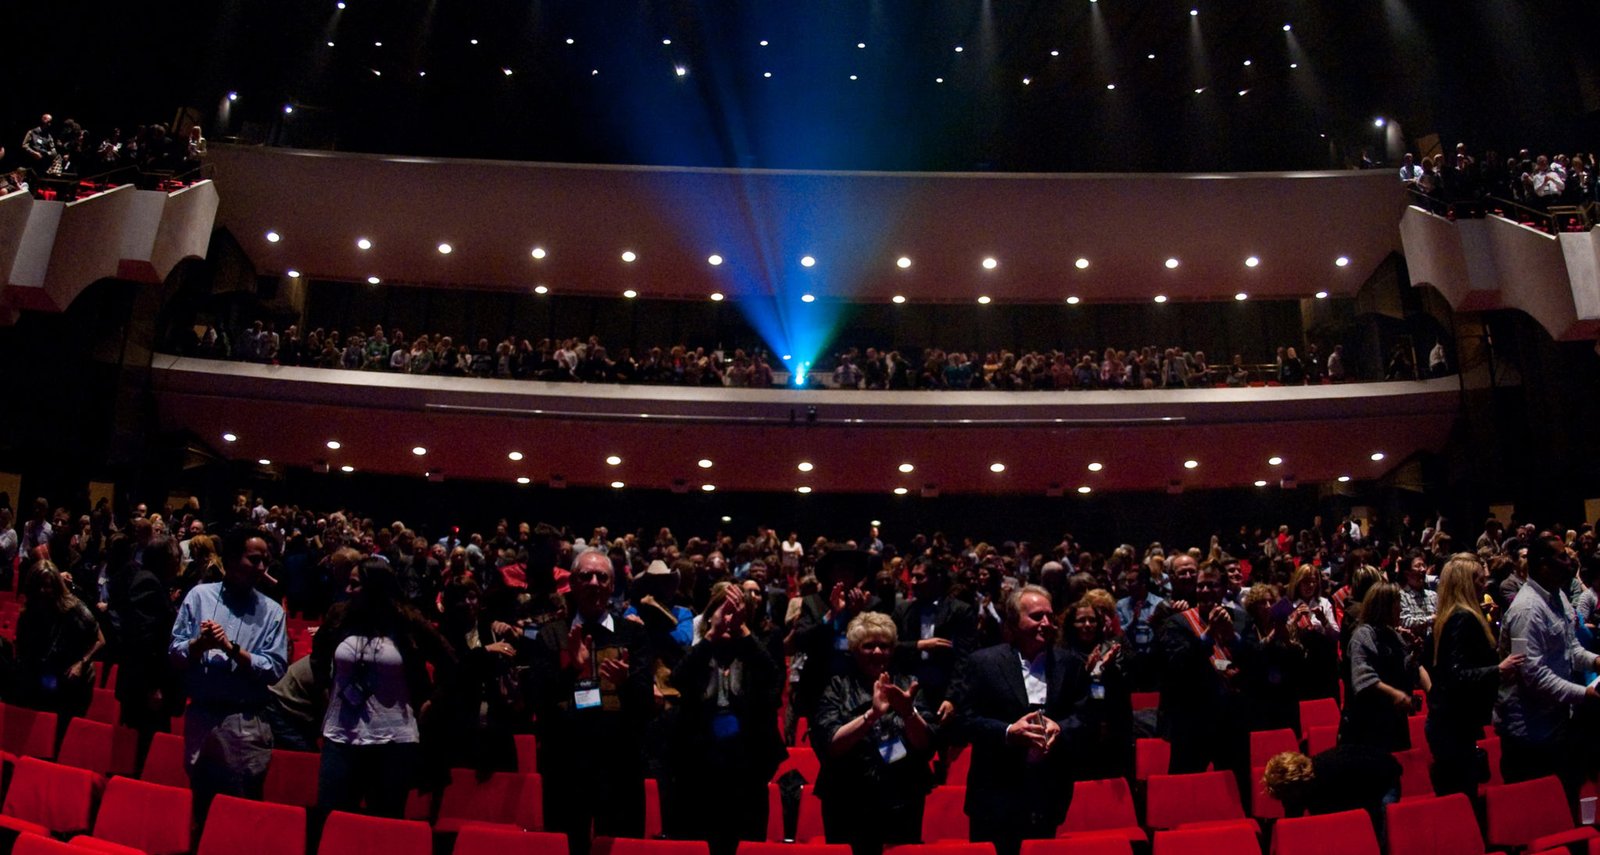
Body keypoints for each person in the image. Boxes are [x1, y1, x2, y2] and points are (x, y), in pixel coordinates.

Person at [526, 549, 655, 855]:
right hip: (567, 764)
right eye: (586, 576)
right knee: (568, 845)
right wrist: (571, 669)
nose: (594, 582)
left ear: (612, 586)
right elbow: (538, 701)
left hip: (620, 762)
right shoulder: (552, 634)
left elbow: (646, 707)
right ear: (572, 583)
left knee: (621, 845)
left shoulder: (633, 634)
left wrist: (625, 685)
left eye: (602, 577)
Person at [312, 558, 454, 817]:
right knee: (331, 820)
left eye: (355, 585)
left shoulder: (407, 621)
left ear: (374, 588)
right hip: (341, 736)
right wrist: (324, 691)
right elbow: (318, 656)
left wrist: (432, 702)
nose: (348, 590)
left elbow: (450, 663)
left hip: (393, 741)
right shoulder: (338, 616)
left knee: (383, 822)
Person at [168, 526, 289, 809]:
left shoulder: (271, 611)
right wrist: (201, 644)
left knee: (239, 806)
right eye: (254, 559)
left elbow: (275, 668)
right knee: (199, 804)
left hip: (244, 721)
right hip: (201, 714)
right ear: (232, 560)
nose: (261, 567)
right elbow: (175, 651)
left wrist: (232, 649)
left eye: (265, 561)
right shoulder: (200, 597)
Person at [954, 585, 1079, 855]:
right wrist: (1008, 731)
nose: (1046, 623)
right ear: (1013, 622)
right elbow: (964, 720)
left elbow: (1084, 715)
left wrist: (1062, 726)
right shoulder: (983, 662)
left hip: (1049, 792)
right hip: (996, 793)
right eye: (1036, 616)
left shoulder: (1070, 663)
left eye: (1050, 615)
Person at [669, 582, 785, 855]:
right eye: (724, 612)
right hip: (700, 765)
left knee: (745, 840)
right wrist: (712, 633)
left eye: (737, 614)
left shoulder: (754, 649)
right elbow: (679, 679)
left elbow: (772, 678)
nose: (729, 620)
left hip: (747, 765)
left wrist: (743, 631)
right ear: (710, 615)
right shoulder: (699, 651)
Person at [813, 610, 935, 855]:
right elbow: (832, 743)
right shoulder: (837, 685)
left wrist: (908, 712)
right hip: (847, 798)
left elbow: (926, 745)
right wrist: (872, 715)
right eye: (869, 646)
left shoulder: (908, 683)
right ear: (855, 650)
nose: (878, 652)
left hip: (902, 798)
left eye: (885, 646)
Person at [1494, 534, 1599, 800]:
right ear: (1543, 566)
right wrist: (1584, 693)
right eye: (1562, 557)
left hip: (1558, 724)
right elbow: (1533, 675)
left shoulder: (1558, 596)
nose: (1569, 562)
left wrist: (1596, 660)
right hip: (1531, 734)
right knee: (1542, 812)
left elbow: (1570, 649)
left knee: (1569, 798)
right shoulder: (1527, 610)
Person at [1429, 553, 1521, 799]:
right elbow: (1456, 675)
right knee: (1461, 796)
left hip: (1451, 722)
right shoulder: (1462, 617)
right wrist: (1499, 669)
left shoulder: (1455, 615)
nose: (1485, 585)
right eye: (1479, 580)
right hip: (1453, 724)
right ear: (1465, 584)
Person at [1159, 564, 1248, 780]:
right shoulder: (1176, 623)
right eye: (1201, 586)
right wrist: (1208, 635)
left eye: (1212, 585)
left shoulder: (1240, 619)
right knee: (1185, 790)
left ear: (1224, 588)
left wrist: (1233, 639)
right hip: (1191, 722)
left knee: (1236, 789)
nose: (1205, 590)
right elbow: (1176, 665)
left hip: (1231, 721)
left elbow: (1255, 660)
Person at [110, 537, 182, 758]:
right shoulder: (148, 583)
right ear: (166, 560)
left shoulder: (153, 582)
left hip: (143, 684)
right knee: (143, 749)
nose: (180, 562)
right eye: (177, 557)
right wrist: (153, 686)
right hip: (145, 689)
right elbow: (144, 639)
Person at [1342, 582, 1429, 754]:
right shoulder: (1363, 635)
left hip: (1394, 722)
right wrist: (1396, 695)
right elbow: (1363, 678)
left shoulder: (1394, 635)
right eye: (1398, 606)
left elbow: (1405, 670)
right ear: (1384, 608)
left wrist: (1415, 655)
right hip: (1369, 724)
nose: (1401, 611)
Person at [14, 561, 104, 725]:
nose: (42, 590)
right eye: (38, 586)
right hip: (44, 679)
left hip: (71, 684)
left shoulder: (73, 608)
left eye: (47, 586)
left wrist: (81, 663)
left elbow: (100, 640)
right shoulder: (29, 614)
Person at [891, 558, 977, 725]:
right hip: (909, 686)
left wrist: (952, 698)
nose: (913, 582)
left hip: (944, 688)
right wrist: (919, 645)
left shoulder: (960, 610)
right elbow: (889, 646)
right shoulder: (903, 610)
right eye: (912, 577)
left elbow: (964, 660)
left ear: (937, 579)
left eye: (920, 577)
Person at [1061, 595, 1132, 780]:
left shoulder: (1110, 648)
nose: (1087, 624)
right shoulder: (1062, 653)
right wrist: (1087, 672)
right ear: (1072, 624)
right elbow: (1063, 693)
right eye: (1081, 620)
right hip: (1079, 730)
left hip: (1111, 724)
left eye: (1092, 620)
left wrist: (1107, 669)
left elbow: (1126, 685)